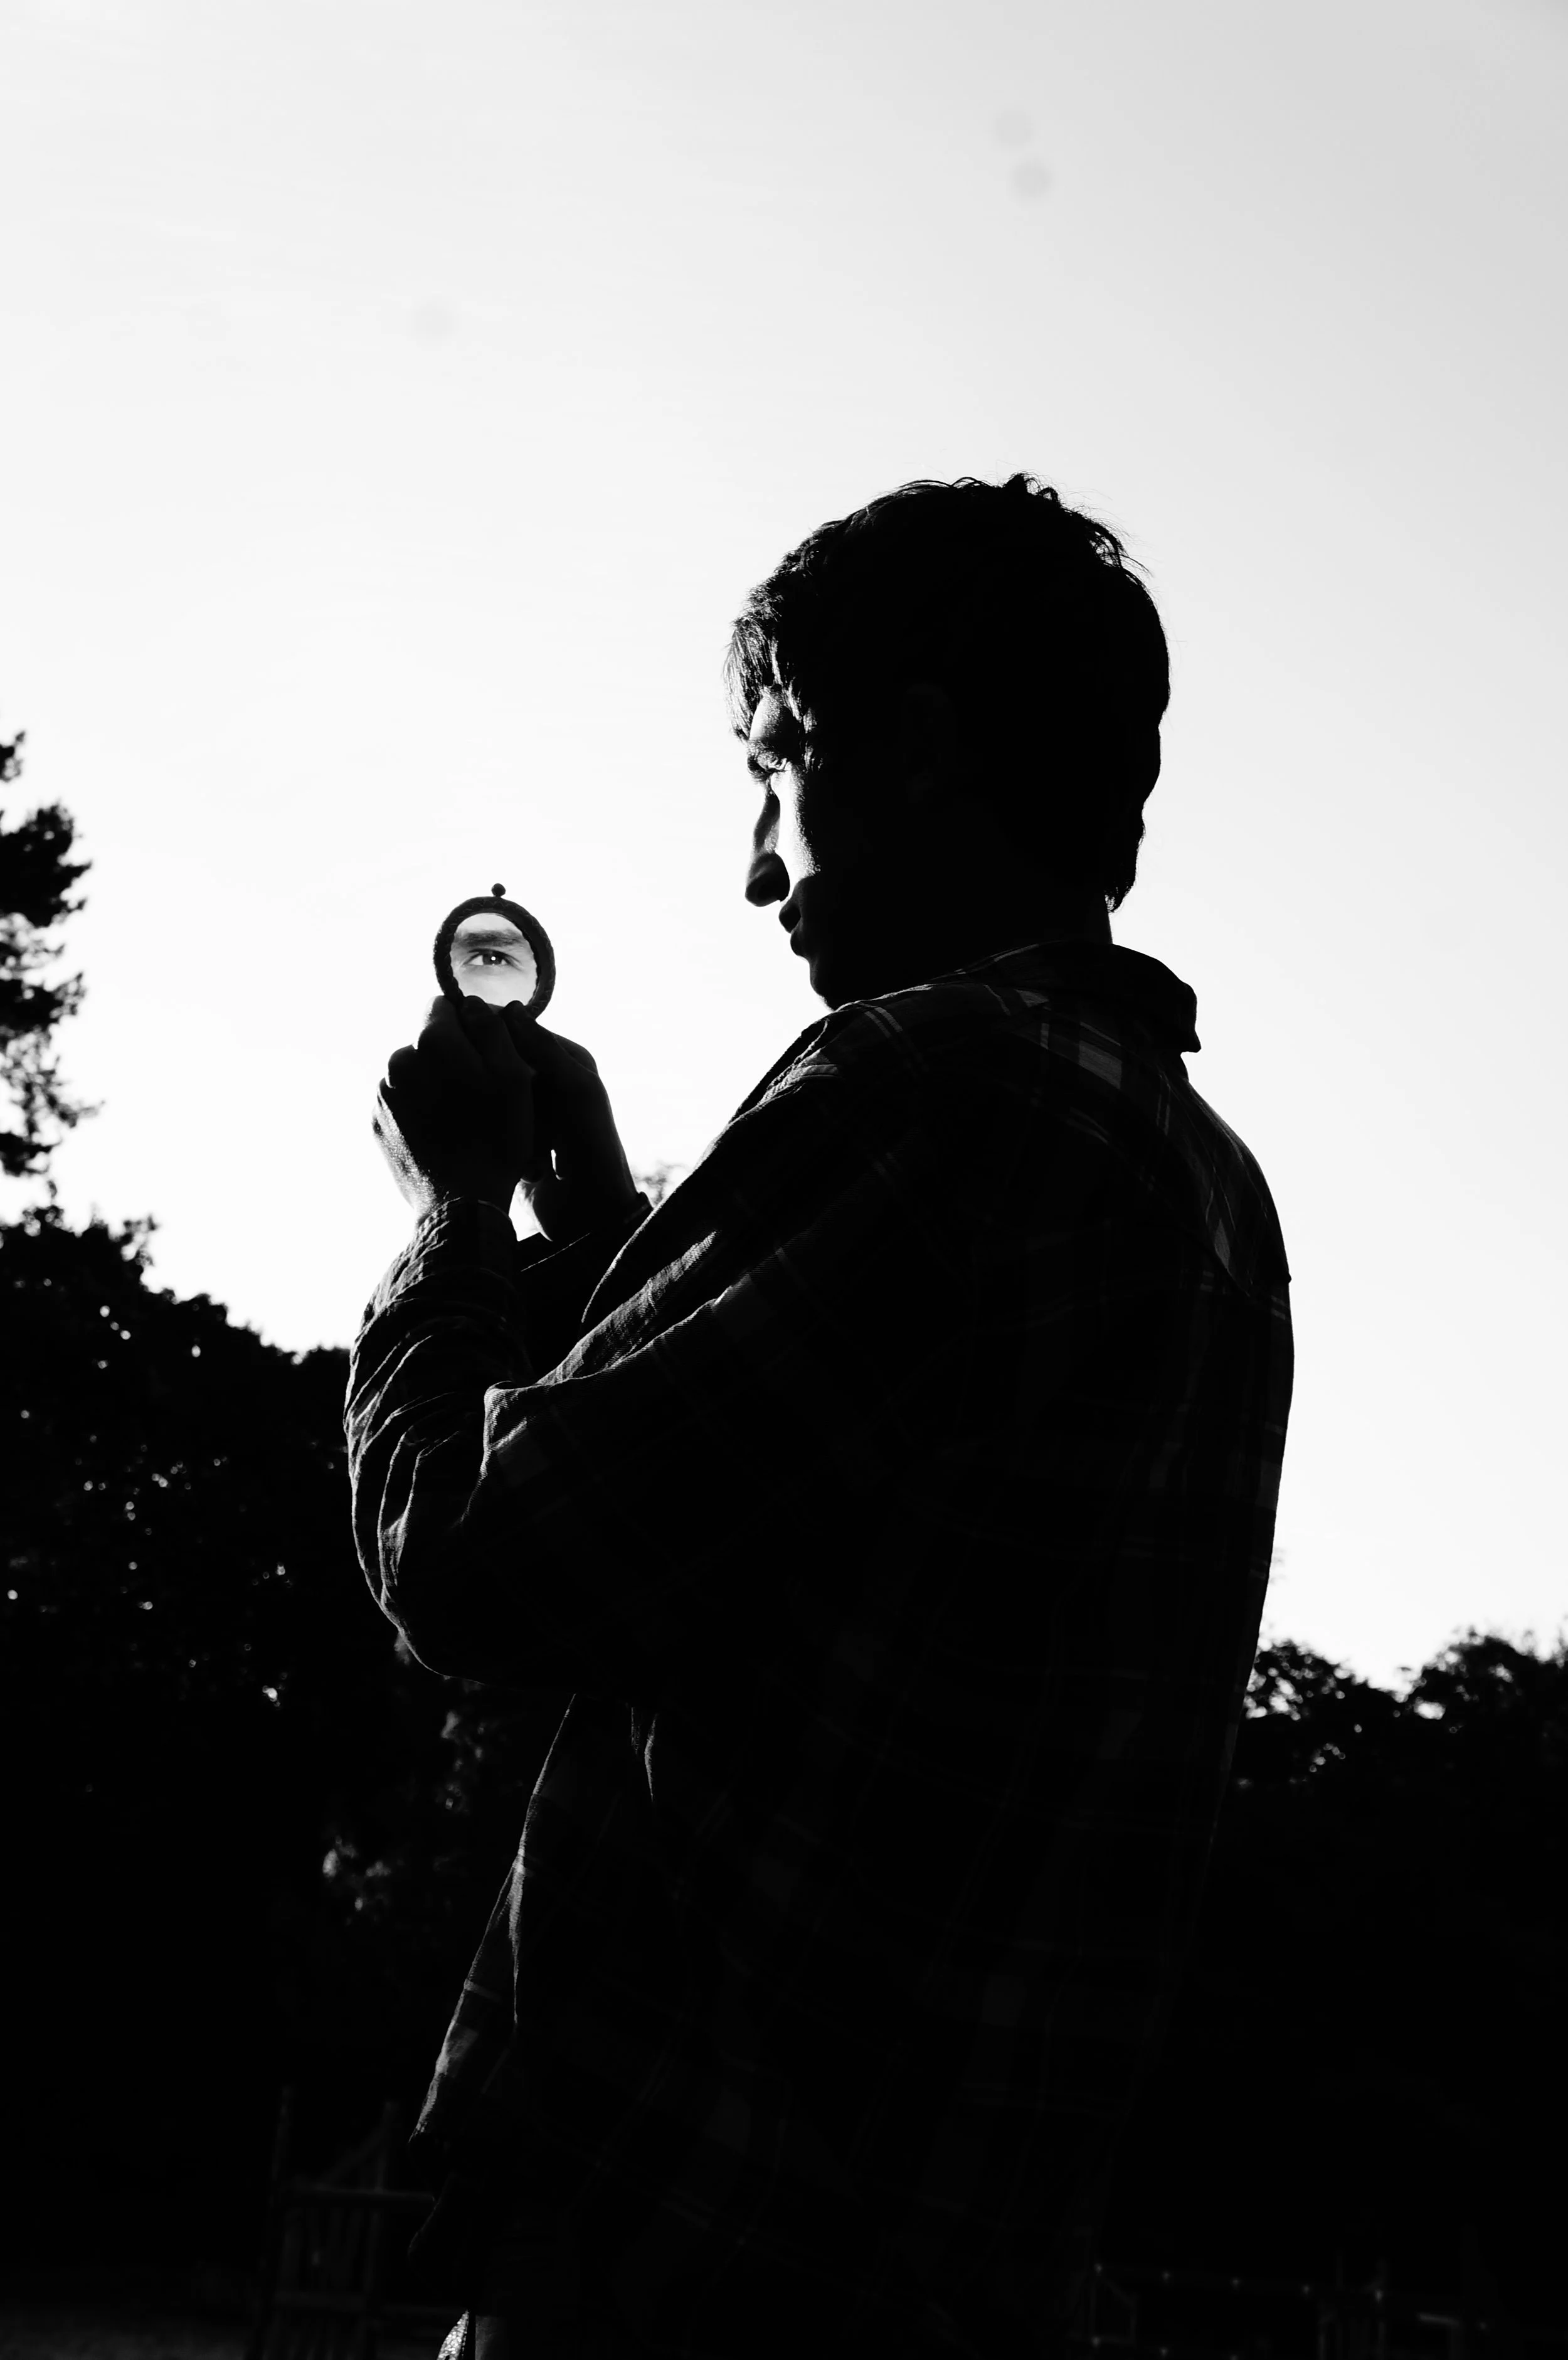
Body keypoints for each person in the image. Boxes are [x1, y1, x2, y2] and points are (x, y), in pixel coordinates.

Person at [347, 474, 1294, 2359]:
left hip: (694, 2253)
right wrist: (603, 1220)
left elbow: (477, 1567)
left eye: (771, 774)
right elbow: (802, 1511)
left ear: (918, 748)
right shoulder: (1197, 1178)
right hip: (939, 2271)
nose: (760, 868)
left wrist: (450, 1218)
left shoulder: (926, 1080)